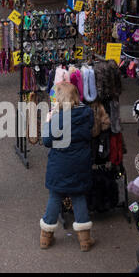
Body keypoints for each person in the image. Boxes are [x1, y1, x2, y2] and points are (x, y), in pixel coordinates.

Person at [39, 82, 95, 252]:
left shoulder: (57, 118)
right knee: (78, 196)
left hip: (60, 164)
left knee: (55, 196)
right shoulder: (87, 114)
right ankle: (84, 240)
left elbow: (47, 141)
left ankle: (45, 238)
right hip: (80, 163)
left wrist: (48, 122)